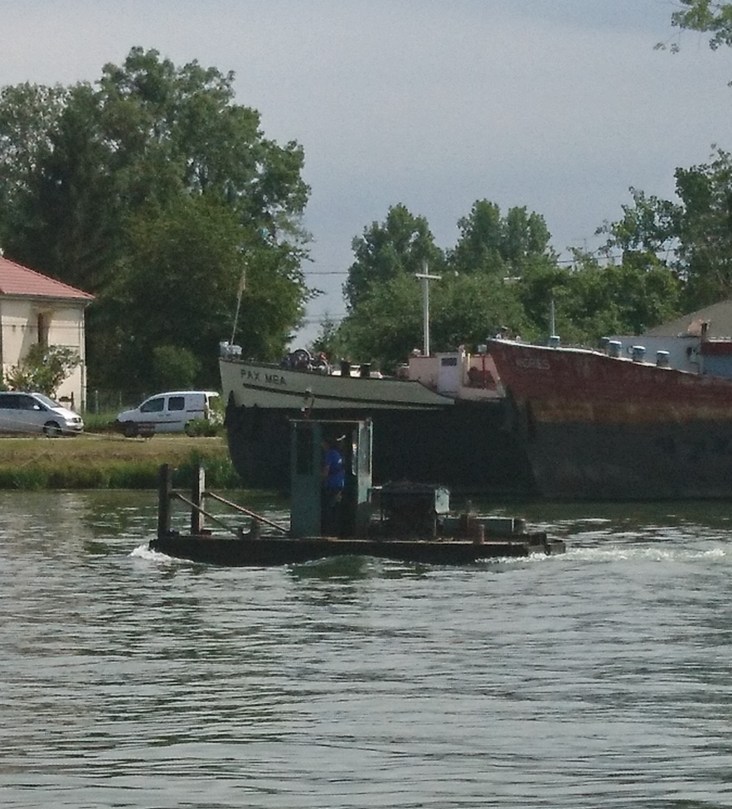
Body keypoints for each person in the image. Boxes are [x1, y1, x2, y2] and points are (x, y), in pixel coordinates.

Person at [321, 434, 345, 535]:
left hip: (332, 485)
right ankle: (336, 531)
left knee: (329, 508)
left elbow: (326, 471)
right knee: (336, 507)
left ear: (327, 444)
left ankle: (329, 532)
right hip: (340, 484)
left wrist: (319, 479)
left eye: (323, 443)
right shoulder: (337, 454)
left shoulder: (330, 454)